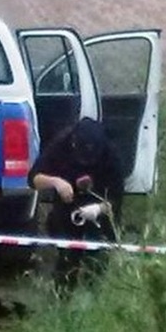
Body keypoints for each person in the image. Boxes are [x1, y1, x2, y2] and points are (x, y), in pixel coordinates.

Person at [28, 117, 124, 289]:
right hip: (67, 209)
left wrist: (98, 209)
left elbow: (116, 200)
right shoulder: (60, 145)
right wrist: (56, 182)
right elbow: (33, 179)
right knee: (67, 261)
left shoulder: (112, 154)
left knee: (96, 263)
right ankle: (62, 295)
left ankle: (93, 295)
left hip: (100, 212)